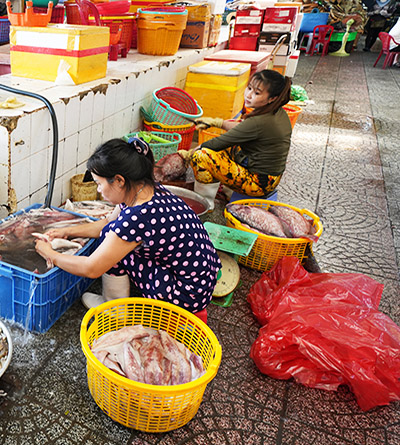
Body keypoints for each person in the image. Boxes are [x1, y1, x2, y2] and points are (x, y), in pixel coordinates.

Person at [34, 138, 219, 323]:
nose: (99, 190)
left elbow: (92, 268)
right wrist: (67, 231)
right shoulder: (146, 189)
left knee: (113, 244)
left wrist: (50, 254)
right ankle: (116, 301)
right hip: (203, 278)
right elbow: (107, 222)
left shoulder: (138, 217)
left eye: (99, 183)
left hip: (187, 294)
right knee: (111, 233)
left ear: (119, 181)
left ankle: (114, 310)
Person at [179, 70, 292, 209]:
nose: (249, 95)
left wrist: (187, 154)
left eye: (257, 93)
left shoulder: (261, 121)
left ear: (272, 98)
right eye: (249, 88)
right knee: (229, 147)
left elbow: (216, 143)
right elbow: (241, 129)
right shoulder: (276, 112)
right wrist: (217, 122)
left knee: (201, 156)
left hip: (259, 183)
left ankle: (206, 204)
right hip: (269, 177)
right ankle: (228, 190)